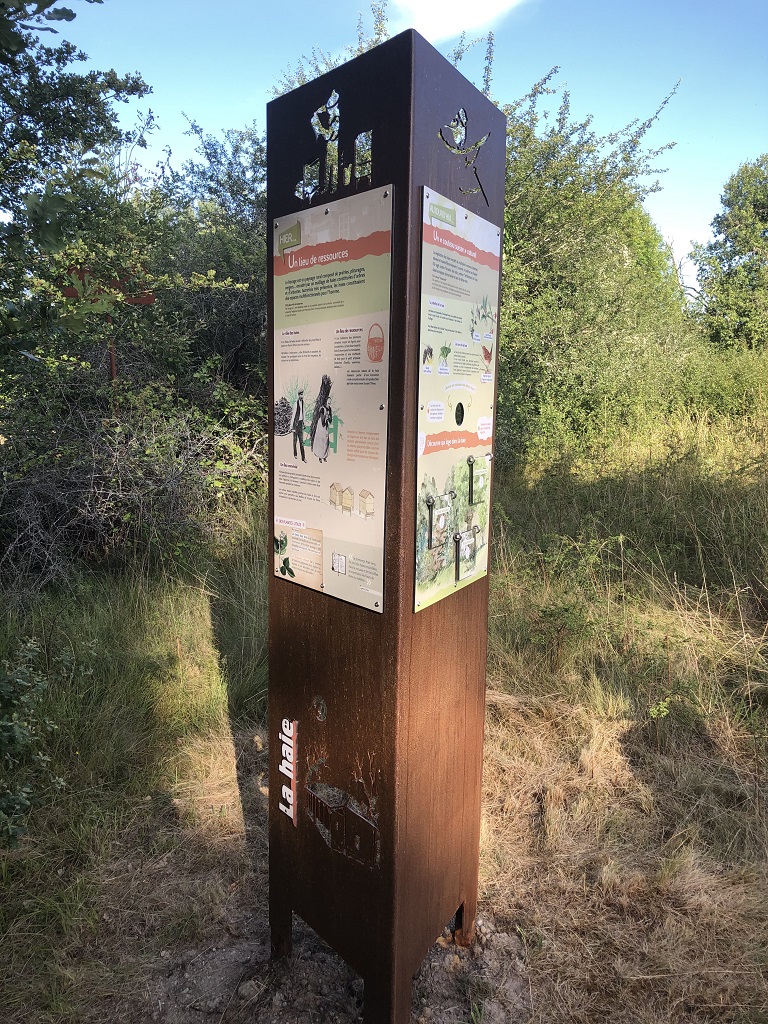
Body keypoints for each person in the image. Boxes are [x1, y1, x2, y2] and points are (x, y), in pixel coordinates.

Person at [292, 390, 306, 462]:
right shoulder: (296, 403)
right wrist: (292, 427)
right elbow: (293, 415)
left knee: (301, 442)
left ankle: (303, 458)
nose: (302, 396)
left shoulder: (303, 403)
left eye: (302, 395)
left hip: (300, 424)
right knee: (295, 441)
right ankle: (295, 454)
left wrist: (304, 423)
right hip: (295, 424)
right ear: (298, 395)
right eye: (301, 395)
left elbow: (303, 413)